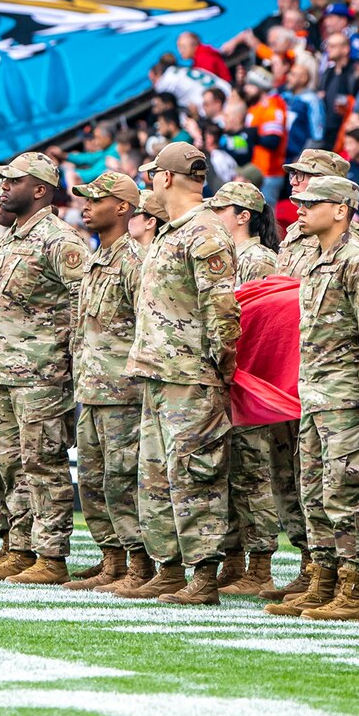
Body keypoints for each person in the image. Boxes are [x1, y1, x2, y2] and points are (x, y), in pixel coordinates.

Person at [121, 141, 241, 606]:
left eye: (153, 174)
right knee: (154, 476)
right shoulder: (174, 231)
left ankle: (204, 575)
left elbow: (222, 309)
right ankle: (169, 567)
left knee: (195, 475)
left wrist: (219, 367)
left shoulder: (205, 231)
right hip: (158, 372)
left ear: (167, 177)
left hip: (191, 376)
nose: (150, 181)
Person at [271, 172, 359, 621]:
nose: (300, 208)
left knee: (345, 492)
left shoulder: (357, 261)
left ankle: (353, 585)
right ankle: (324, 579)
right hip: (316, 394)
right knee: (315, 492)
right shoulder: (321, 261)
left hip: (345, 398)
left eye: (311, 201)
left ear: (341, 209)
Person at [0, 150, 88, 586]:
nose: (3, 188)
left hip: (43, 372)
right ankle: (20, 547)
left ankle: (51, 554)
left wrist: (68, 357)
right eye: (2, 181)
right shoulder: (9, 237)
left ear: (40, 190)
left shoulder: (59, 240)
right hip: (4, 369)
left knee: (43, 463)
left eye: (12, 182)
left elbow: (85, 301)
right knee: (11, 465)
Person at [71, 170, 147, 592]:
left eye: (95, 199)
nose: (85, 206)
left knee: (122, 480)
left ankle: (139, 563)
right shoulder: (97, 259)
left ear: (122, 207)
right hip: (94, 389)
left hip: (124, 393)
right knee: (94, 480)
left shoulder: (135, 261)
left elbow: (148, 326)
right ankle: (112, 559)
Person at [208, 178, 282, 594]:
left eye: (221, 210)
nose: (213, 217)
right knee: (231, 470)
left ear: (243, 216)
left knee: (253, 472)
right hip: (229, 378)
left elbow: (258, 324)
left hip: (249, 376)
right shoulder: (230, 255)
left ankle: (260, 566)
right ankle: (234, 561)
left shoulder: (258, 260)